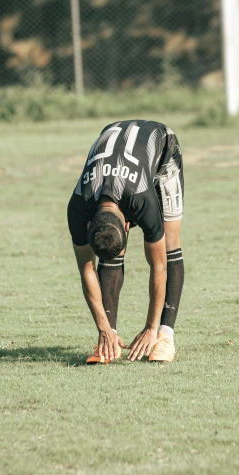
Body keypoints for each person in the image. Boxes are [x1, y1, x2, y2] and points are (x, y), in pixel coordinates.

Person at [67, 120, 185, 363]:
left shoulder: (143, 202)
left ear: (129, 224)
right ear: (89, 224)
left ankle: (165, 337)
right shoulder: (79, 206)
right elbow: (86, 269)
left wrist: (151, 327)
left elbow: (159, 266)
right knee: (109, 245)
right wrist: (103, 328)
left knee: (170, 242)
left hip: (163, 150)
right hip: (117, 149)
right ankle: (110, 338)